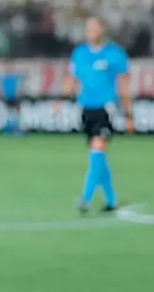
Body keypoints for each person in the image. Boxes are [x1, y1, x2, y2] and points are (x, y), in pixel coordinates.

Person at [61, 16, 133, 214]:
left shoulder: (115, 54)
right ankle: (112, 200)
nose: (90, 31)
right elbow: (72, 79)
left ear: (102, 30)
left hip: (106, 109)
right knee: (98, 156)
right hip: (86, 109)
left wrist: (128, 114)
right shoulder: (80, 53)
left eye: (94, 27)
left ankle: (85, 198)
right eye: (88, 28)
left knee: (97, 150)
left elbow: (124, 85)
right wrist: (61, 99)